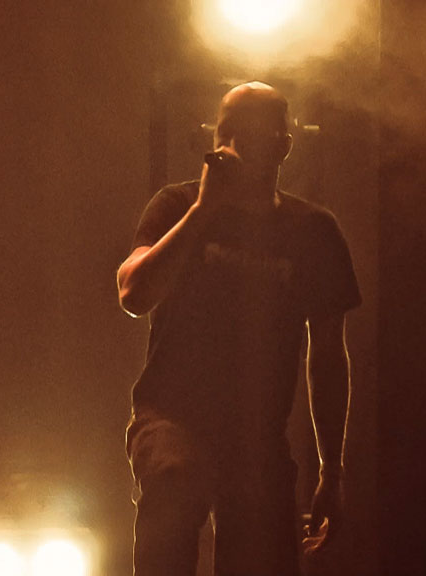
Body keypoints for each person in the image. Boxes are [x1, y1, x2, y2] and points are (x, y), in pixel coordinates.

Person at [117, 81, 360, 576]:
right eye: (223, 132)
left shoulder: (313, 231)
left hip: (258, 435)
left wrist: (332, 469)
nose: (229, 146)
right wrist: (203, 211)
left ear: (282, 146)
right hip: (171, 414)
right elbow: (133, 294)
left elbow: (328, 356)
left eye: (246, 133)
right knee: (174, 476)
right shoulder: (177, 205)